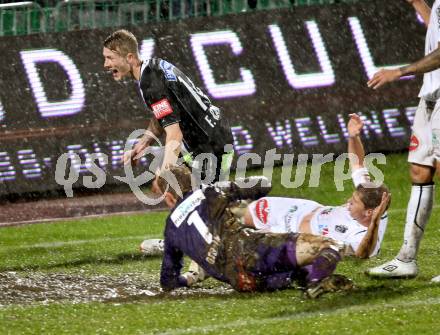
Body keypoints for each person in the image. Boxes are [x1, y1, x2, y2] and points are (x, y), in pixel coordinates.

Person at [141, 114, 390, 260]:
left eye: (354, 203)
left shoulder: (365, 234)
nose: (348, 201)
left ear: (370, 214)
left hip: (294, 236)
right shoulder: (371, 195)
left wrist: (377, 223)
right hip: (298, 210)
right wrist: (353, 136)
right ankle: (184, 232)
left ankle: (181, 243)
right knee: (227, 209)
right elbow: (357, 164)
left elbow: (363, 254)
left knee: (235, 243)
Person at [156, 165, 354, 298]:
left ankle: (298, 279)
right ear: (192, 182)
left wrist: (188, 278)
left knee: (292, 275)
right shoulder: (210, 192)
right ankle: (315, 283)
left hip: (239, 280)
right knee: (331, 245)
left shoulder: (170, 228)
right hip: (253, 252)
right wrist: (237, 200)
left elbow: (168, 282)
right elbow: (263, 183)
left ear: (169, 198)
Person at [366, 0, 440, 281]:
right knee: (420, 171)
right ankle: (406, 258)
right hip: (431, 94)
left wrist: (398, 72)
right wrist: (418, 4)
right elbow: (436, 31)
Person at [103, 29, 234, 186]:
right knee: (209, 200)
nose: (106, 64)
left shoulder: (151, 85)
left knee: (210, 203)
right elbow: (165, 113)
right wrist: (143, 143)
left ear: (129, 58)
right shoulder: (153, 67)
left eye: (110, 58)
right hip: (215, 134)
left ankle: (254, 206)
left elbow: (174, 134)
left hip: (206, 145)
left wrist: (164, 174)